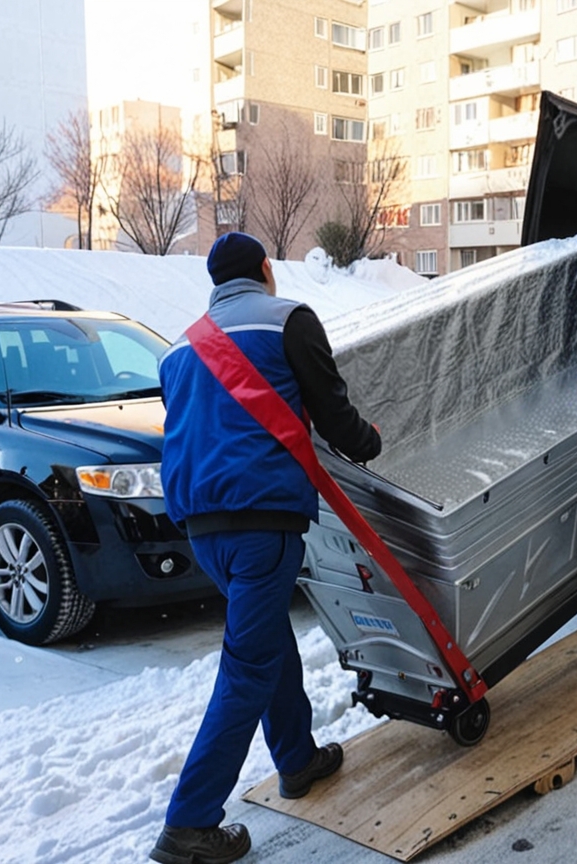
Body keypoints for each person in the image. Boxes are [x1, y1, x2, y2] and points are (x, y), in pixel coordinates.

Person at [150, 232, 382, 864]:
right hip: (262, 527)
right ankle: (189, 824)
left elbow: (192, 429)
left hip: (205, 532)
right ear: (263, 270)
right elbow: (333, 413)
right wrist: (370, 442)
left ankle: (298, 760)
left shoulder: (178, 349)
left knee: (268, 641)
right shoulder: (288, 320)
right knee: (248, 666)